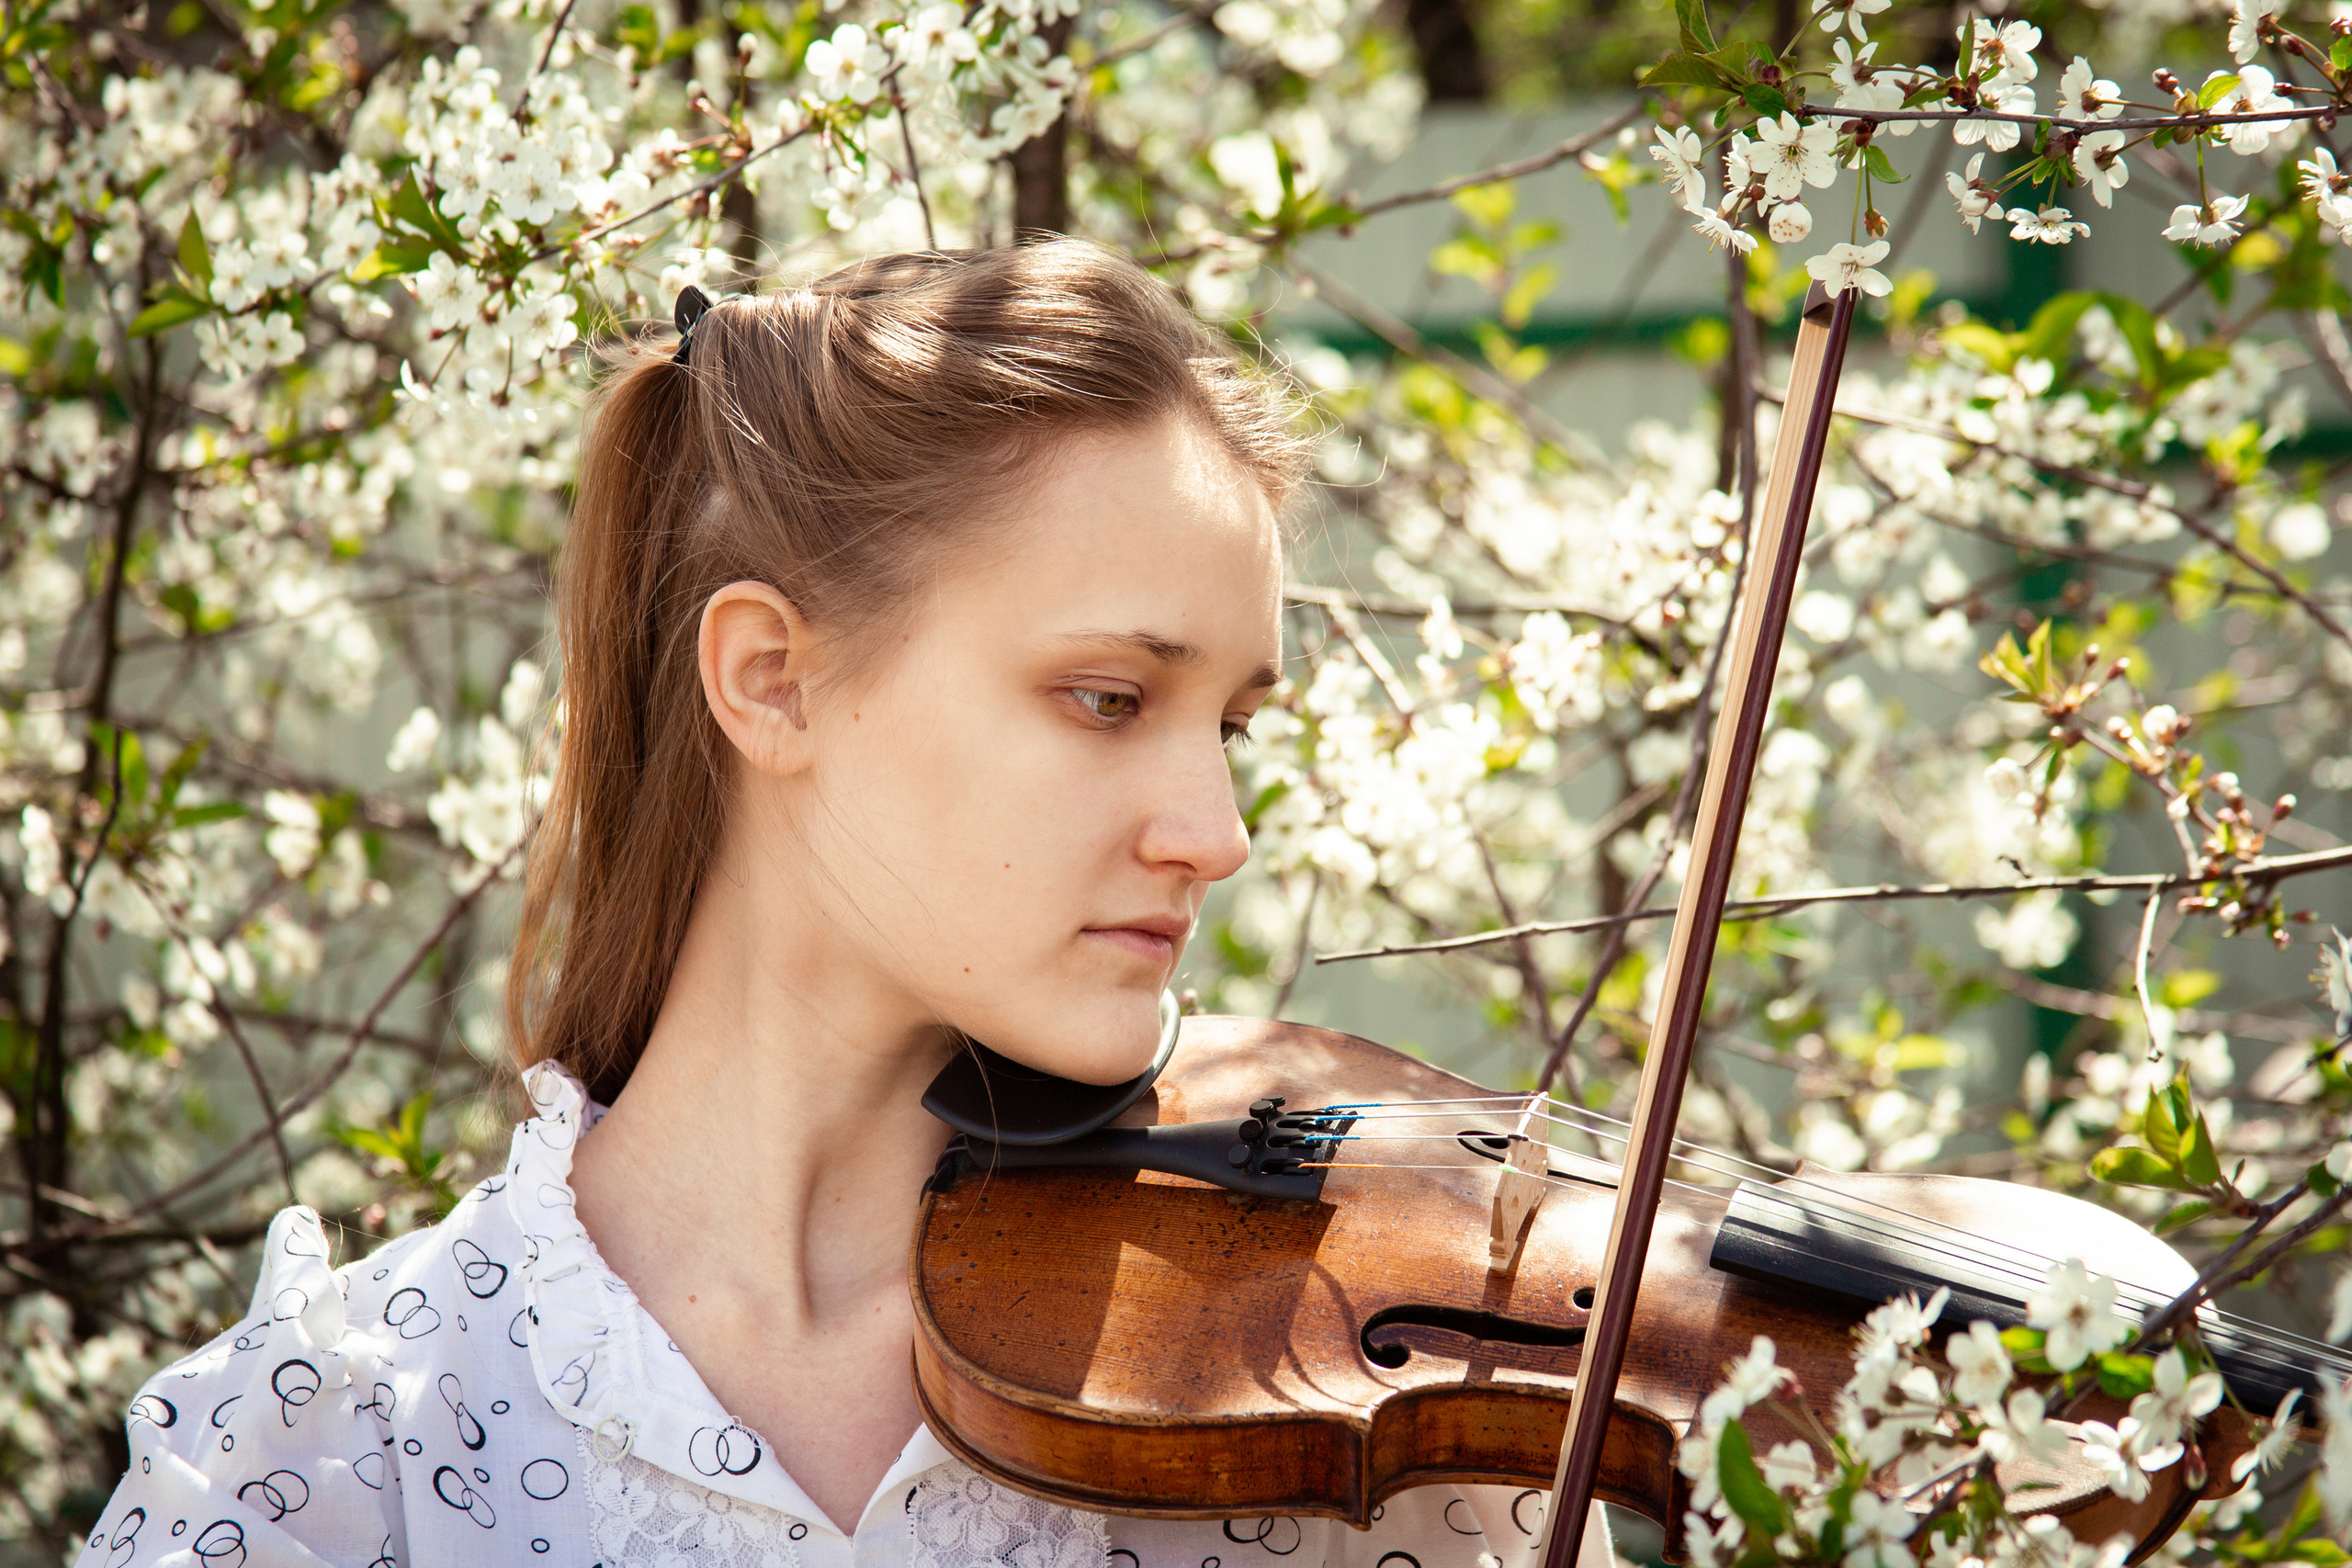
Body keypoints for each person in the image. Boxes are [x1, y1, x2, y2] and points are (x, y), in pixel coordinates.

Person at [74, 242, 1611, 1568]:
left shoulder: (1361, 1410)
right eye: (1105, 697)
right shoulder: (327, 1461)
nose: (1217, 835)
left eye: (1228, 728)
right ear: (774, 678)